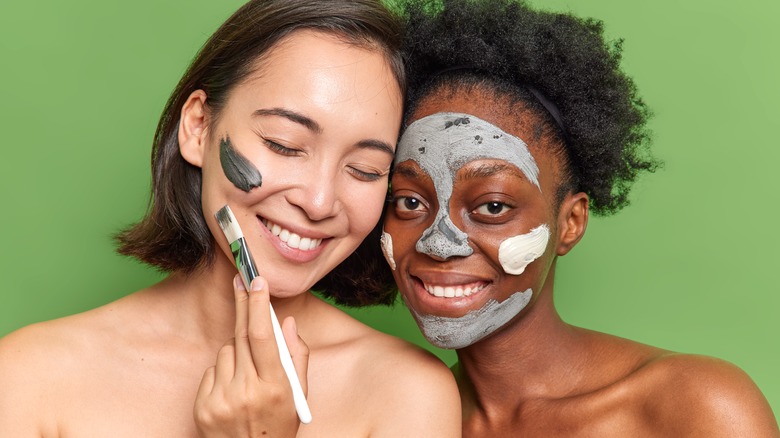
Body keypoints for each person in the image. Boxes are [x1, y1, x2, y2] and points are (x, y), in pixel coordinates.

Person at [0, 1, 460, 436]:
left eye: (365, 170)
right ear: (198, 127)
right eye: (283, 144)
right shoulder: (29, 378)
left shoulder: (407, 395)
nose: (319, 202)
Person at [380, 0, 780, 435]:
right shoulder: (404, 421)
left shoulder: (695, 406)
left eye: (493, 207)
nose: (438, 243)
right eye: (409, 202)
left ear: (571, 222)